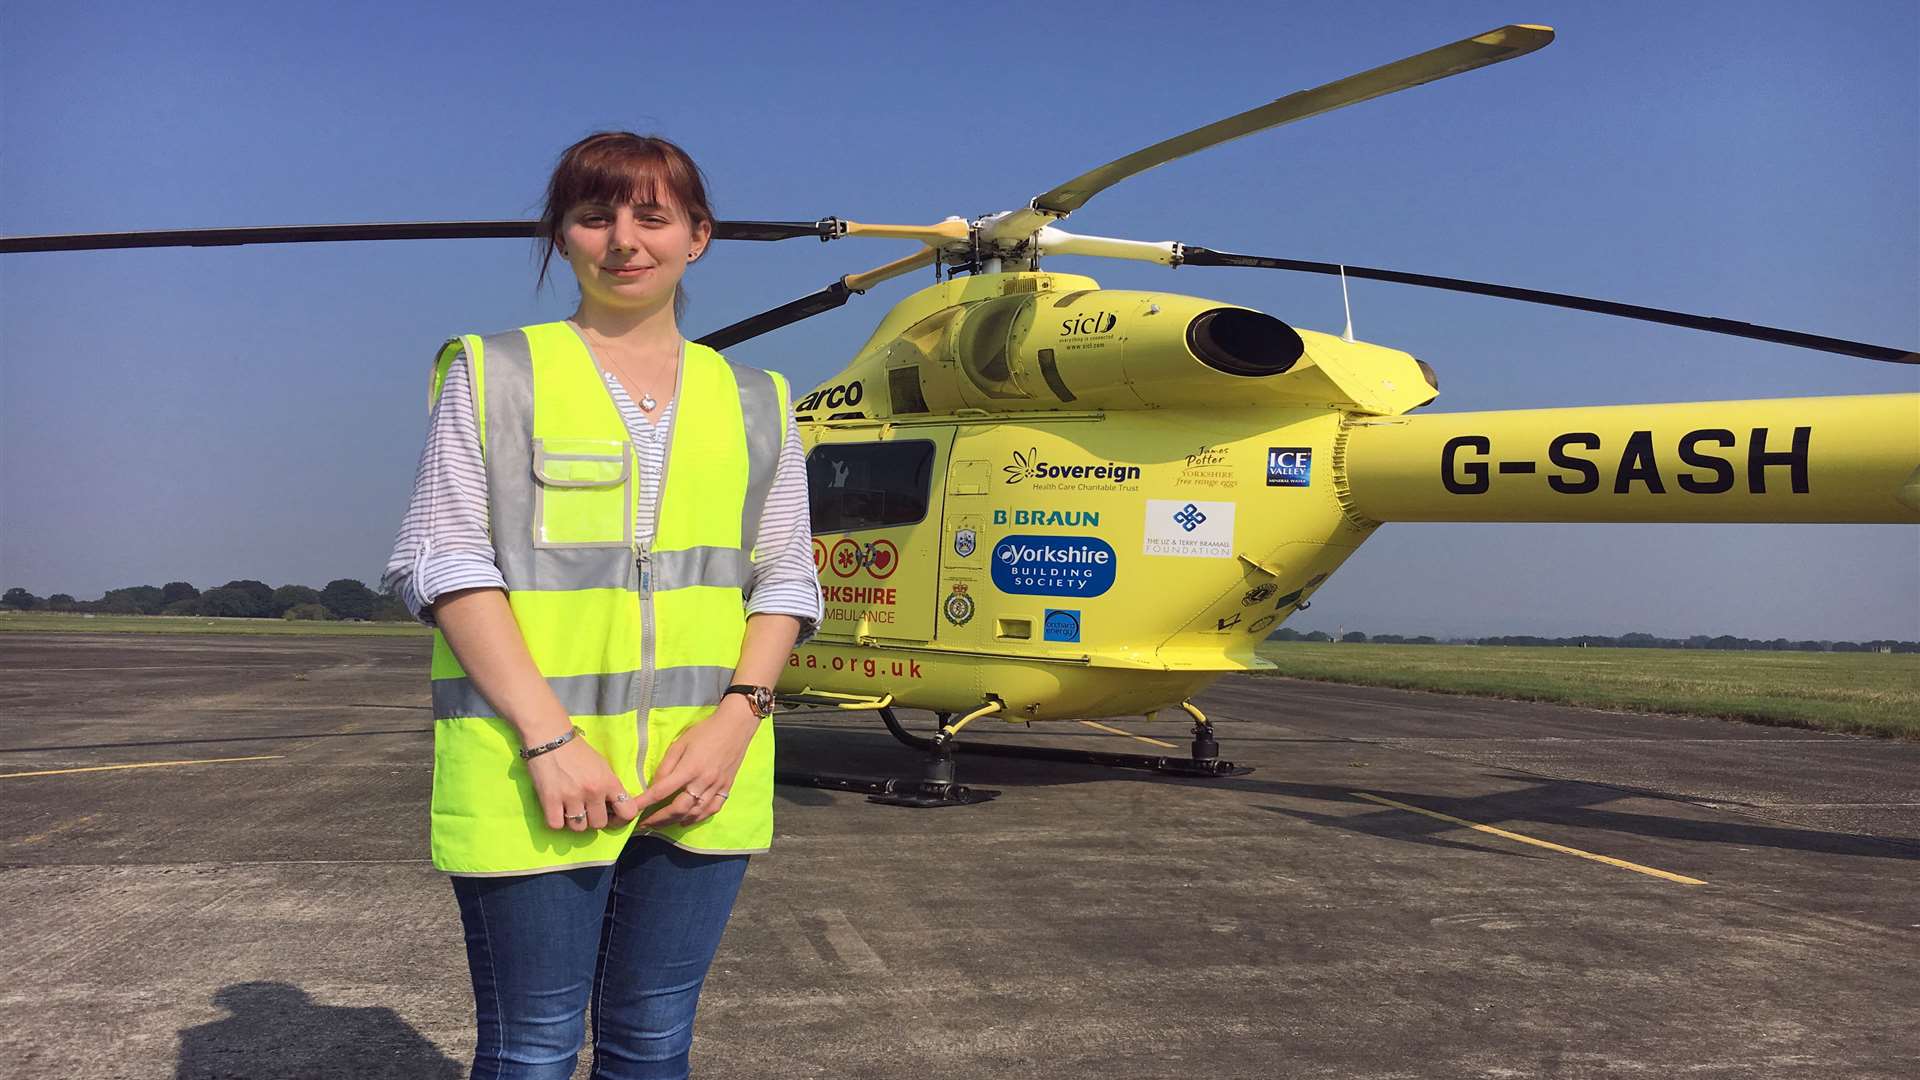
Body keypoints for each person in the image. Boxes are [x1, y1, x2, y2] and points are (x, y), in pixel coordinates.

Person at [383, 131, 822, 1080]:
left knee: (654, 1041)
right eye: (595, 216)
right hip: (530, 770)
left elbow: (784, 581)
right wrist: (550, 739)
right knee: (534, 1047)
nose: (624, 240)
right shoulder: (494, 372)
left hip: (700, 773)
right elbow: (446, 563)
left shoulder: (758, 399)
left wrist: (735, 725)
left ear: (697, 237)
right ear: (564, 237)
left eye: (652, 217)